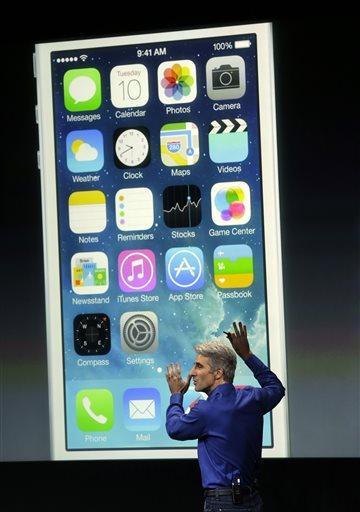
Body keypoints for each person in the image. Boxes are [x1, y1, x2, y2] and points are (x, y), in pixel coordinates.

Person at [165, 321, 285, 511]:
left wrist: (176, 395)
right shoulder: (251, 398)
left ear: (218, 373)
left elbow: (174, 428)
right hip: (253, 501)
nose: (192, 372)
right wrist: (247, 355)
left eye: (199, 366)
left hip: (222, 503)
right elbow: (276, 389)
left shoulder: (205, 410)